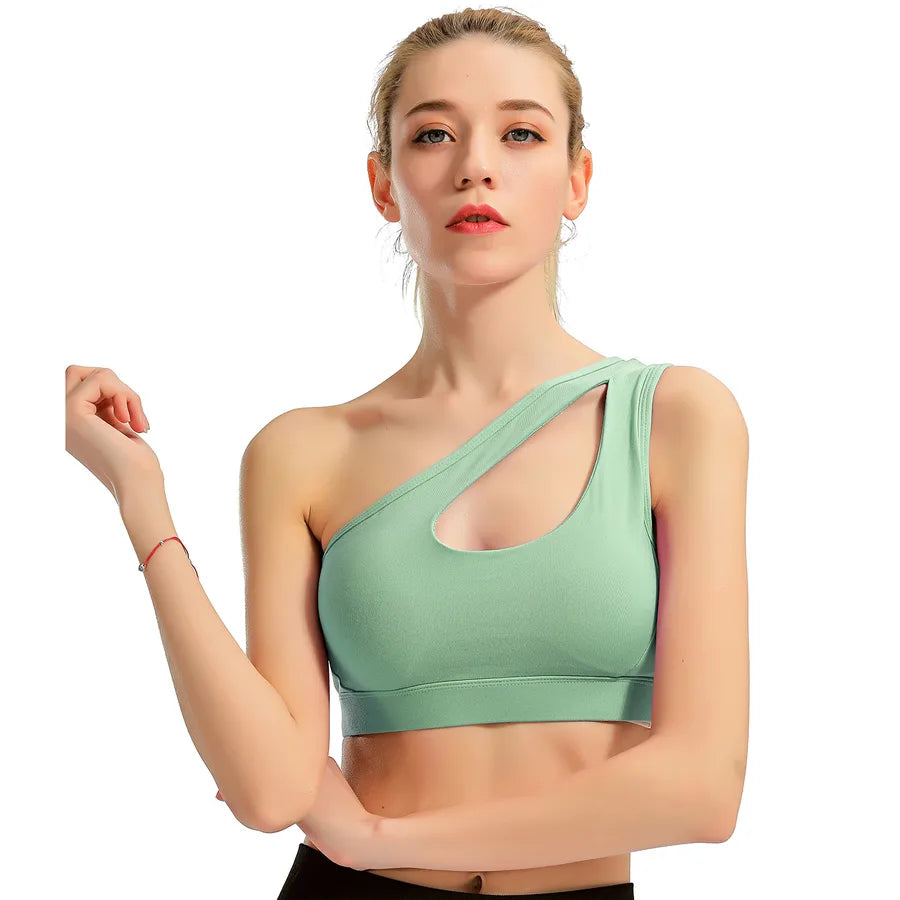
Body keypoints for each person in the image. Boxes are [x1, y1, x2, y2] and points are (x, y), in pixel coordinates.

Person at [65, 7, 749, 898]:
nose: (476, 165)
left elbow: (703, 789)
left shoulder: (674, 418)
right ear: (384, 185)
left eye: (521, 133)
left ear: (577, 179)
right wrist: (141, 500)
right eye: (433, 134)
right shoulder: (301, 452)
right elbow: (270, 790)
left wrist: (377, 836)